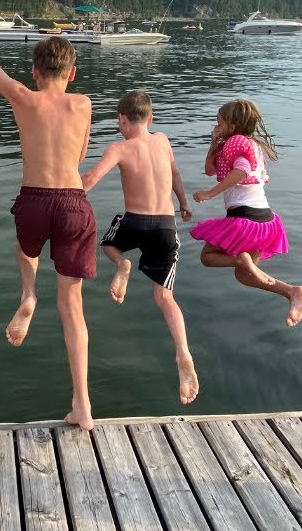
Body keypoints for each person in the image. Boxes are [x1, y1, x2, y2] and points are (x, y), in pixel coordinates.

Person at [0, 25, 97, 430]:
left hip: (34, 199)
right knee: (72, 308)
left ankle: (28, 294)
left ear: (34, 71)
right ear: (72, 72)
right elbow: (80, 154)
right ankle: (83, 406)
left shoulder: (23, 98)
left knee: (26, 251)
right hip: (73, 202)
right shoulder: (84, 104)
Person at [82, 90, 199, 404]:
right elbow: (175, 174)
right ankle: (183, 352)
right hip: (165, 225)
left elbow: (92, 178)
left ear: (122, 119)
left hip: (134, 221)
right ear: (151, 118)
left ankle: (122, 264)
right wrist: (184, 203)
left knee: (108, 244)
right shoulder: (162, 140)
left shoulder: (120, 147)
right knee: (164, 297)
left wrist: (62, 190)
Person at [190, 99, 302, 326]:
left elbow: (242, 172)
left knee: (207, 257)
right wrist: (214, 142)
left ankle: (240, 259)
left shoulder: (236, 144)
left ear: (233, 127)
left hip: (244, 219)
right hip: (265, 221)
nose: (217, 127)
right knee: (245, 274)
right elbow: (209, 169)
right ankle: (292, 292)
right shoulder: (250, 145)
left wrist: (210, 193)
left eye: (220, 123)